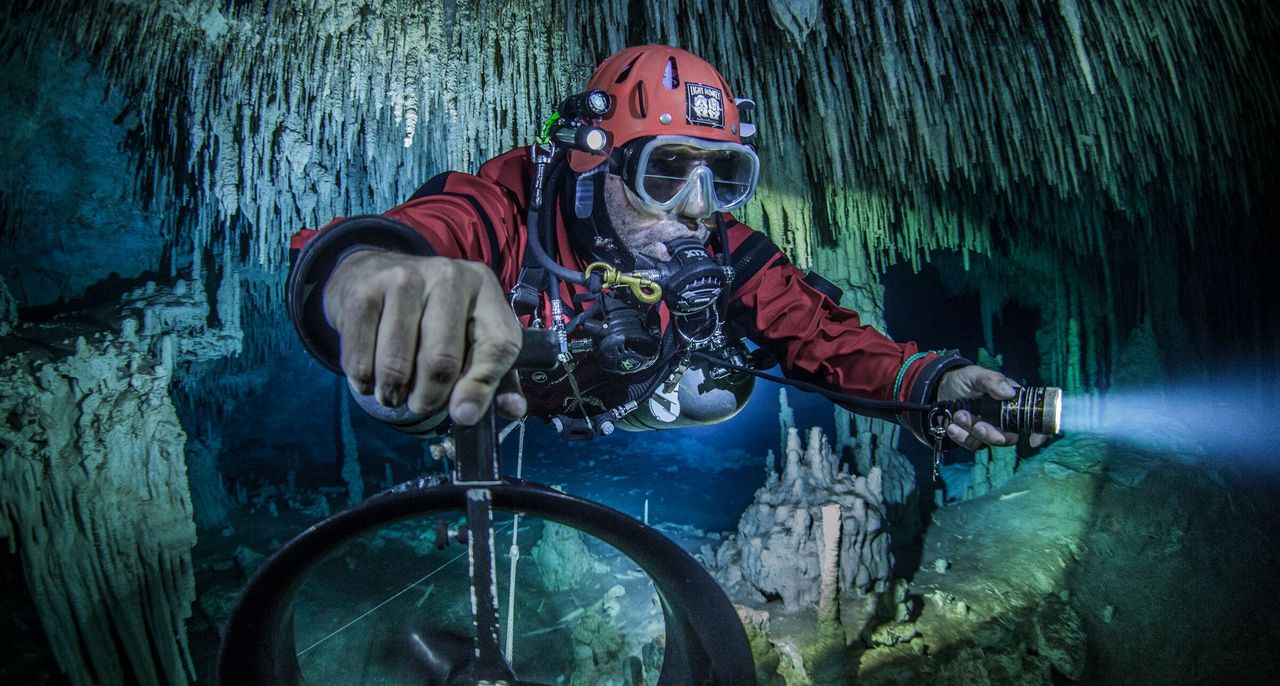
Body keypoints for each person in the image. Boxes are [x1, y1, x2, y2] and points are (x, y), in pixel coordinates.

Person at [287, 44, 1042, 453]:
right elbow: (438, 229)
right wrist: (369, 270)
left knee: (723, 393)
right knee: (395, 394)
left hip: (631, 397)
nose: (695, 209)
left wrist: (927, 383)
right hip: (500, 387)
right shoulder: (515, 204)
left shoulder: (723, 248)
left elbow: (822, 336)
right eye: (667, 169)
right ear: (597, 164)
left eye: (724, 177)